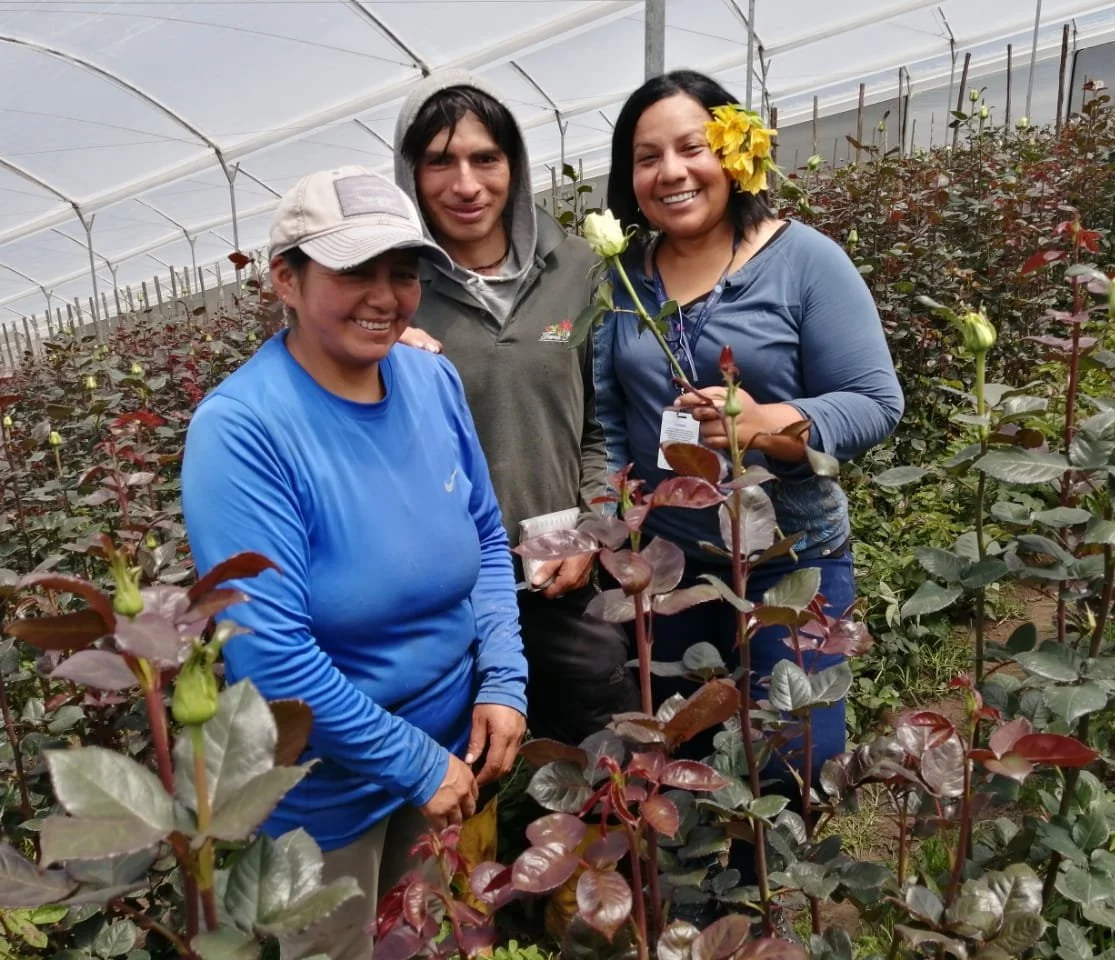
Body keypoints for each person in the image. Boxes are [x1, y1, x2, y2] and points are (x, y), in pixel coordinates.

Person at [180, 166, 527, 960]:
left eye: (402, 272)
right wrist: (412, 762)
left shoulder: (431, 378)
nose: (385, 295)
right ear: (285, 280)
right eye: (353, 271)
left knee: (434, 937)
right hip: (325, 793)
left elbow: (485, 539)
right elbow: (269, 661)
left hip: (452, 748)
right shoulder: (242, 431)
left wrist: (503, 680)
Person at [594, 71, 905, 786]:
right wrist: (616, 522)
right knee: (683, 754)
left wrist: (766, 424)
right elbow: (609, 415)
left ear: (735, 155)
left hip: (789, 557)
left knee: (796, 759)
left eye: (691, 148)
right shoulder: (623, 282)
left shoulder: (803, 260)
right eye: (647, 158)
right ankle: (697, 902)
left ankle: (780, 899)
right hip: (670, 567)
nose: (671, 172)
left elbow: (875, 401)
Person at [391, 71, 640, 746]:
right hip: (450, 597)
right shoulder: (390, 295)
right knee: (470, 774)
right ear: (409, 173)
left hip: (565, 573)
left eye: (485, 159)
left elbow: (600, 424)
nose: (465, 185)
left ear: (515, 165)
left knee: (602, 757)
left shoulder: (579, 270)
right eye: (439, 161)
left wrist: (594, 529)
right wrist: (382, 343)